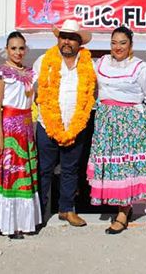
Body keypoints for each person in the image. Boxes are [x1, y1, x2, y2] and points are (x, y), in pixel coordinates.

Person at [88, 25, 146, 234]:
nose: (117, 47)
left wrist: (126, 109)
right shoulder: (100, 64)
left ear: (131, 45)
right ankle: (117, 203)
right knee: (113, 167)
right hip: (106, 122)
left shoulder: (140, 68)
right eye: (114, 43)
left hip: (130, 124)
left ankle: (123, 211)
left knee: (126, 166)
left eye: (122, 43)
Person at [33, 20, 96, 227]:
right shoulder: (44, 61)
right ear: (58, 39)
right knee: (44, 170)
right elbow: (32, 90)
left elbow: (94, 93)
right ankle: (39, 212)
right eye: (63, 37)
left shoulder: (89, 65)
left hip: (76, 127)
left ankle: (66, 210)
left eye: (72, 38)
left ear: (79, 42)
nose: (67, 41)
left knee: (71, 169)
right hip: (46, 126)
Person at [0, 31, 42, 239]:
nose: (18, 52)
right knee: (10, 173)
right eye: (13, 48)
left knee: (24, 172)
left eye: (21, 48)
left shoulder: (29, 73)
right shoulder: (0, 72)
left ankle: (23, 221)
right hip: (9, 127)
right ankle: (8, 223)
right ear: (7, 50)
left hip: (26, 128)